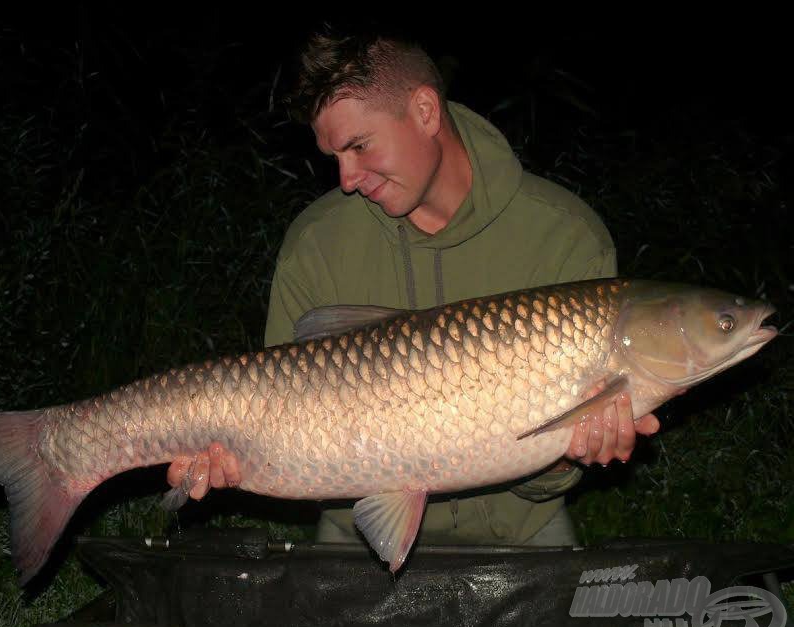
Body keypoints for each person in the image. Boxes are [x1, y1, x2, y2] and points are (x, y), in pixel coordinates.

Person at [167, 26, 660, 548]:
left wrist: (570, 454)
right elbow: (284, 422)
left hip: (516, 532)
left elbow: (549, 477)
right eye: (335, 156)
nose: (346, 178)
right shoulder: (316, 243)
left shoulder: (563, 236)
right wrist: (243, 458)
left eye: (358, 146)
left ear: (425, 112)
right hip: (356, 534)